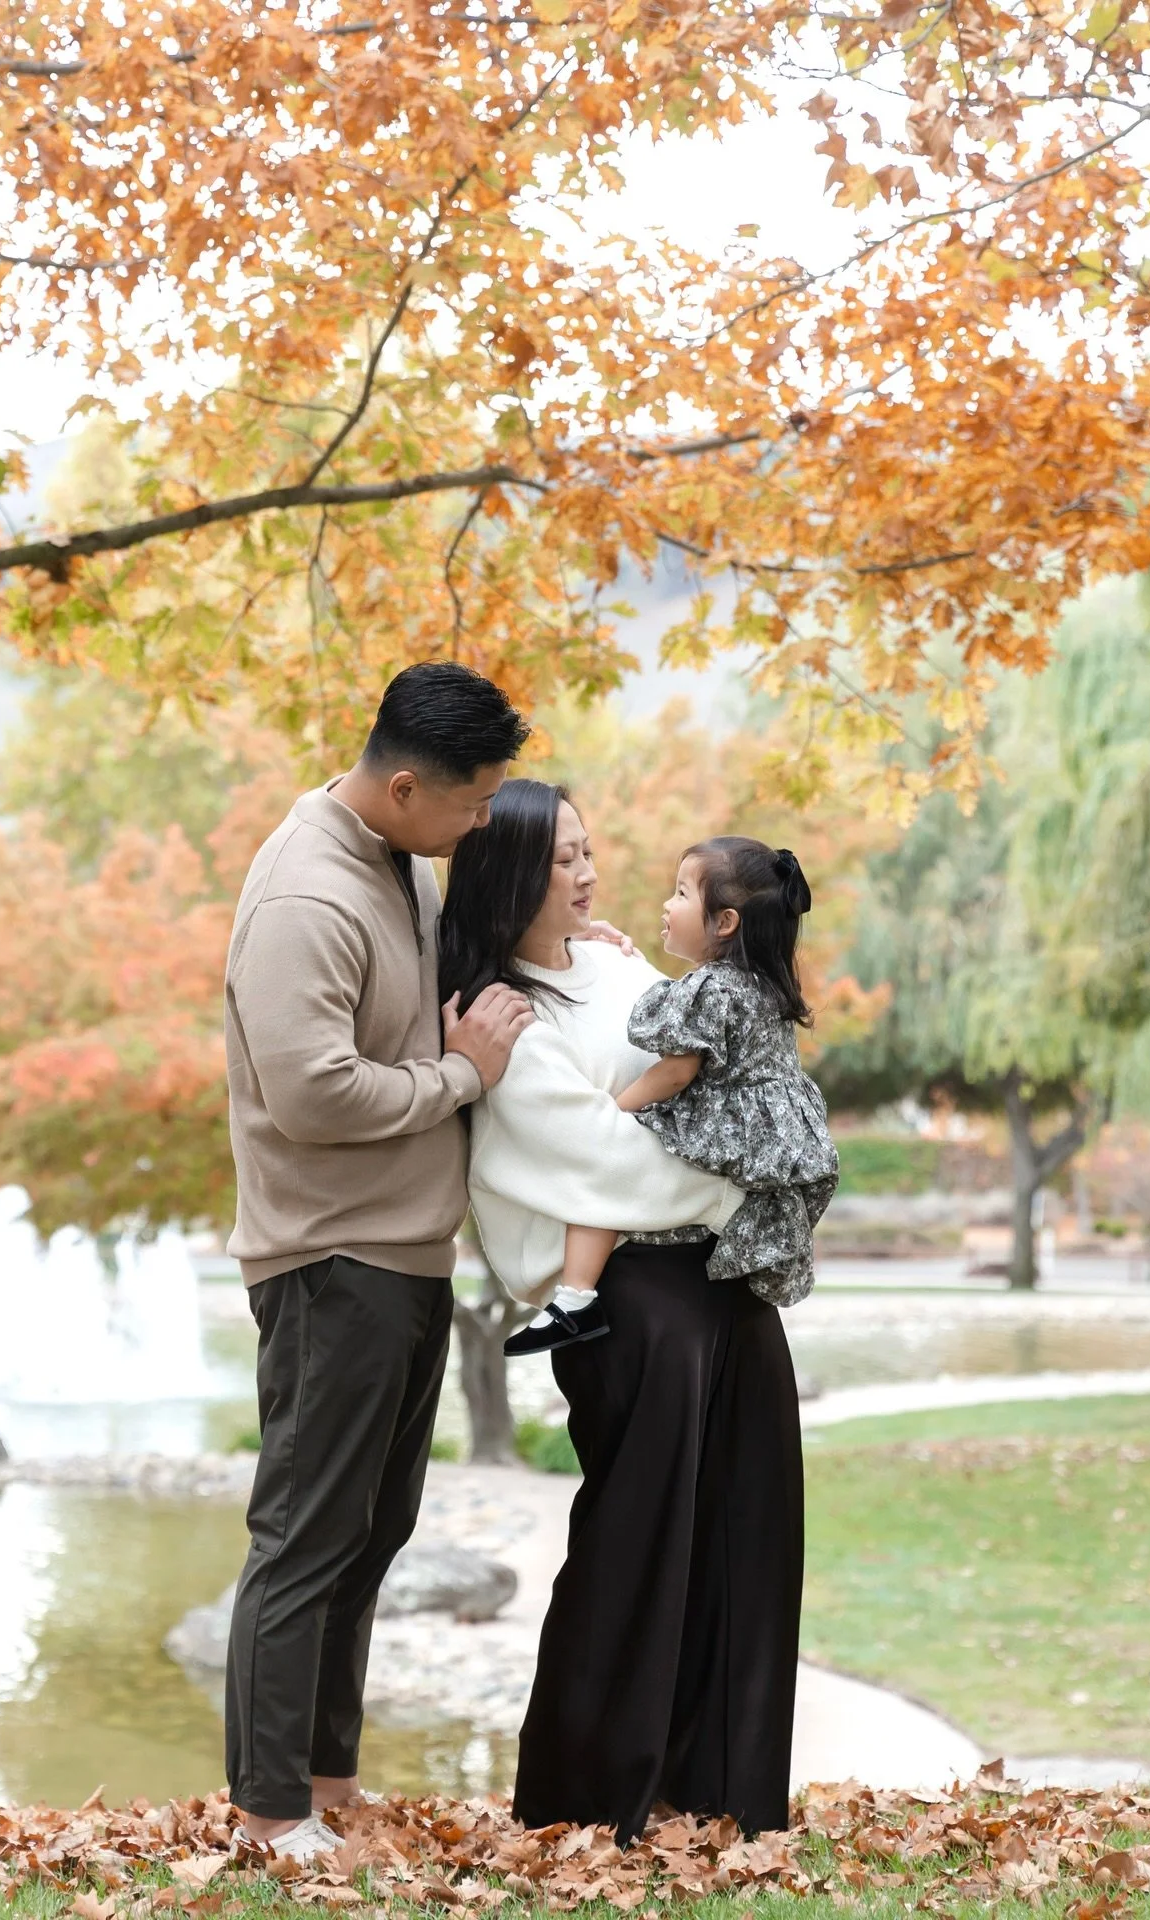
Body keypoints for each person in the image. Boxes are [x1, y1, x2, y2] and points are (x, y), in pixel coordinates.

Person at [439, 781, 805, 1846]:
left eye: (589, 851)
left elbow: (717, 1076)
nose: (588, 874)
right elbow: (599, 1157)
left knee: (750, 1527)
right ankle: (590, 1801)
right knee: (635, 1543)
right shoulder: (499, 1008)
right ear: (509, 872)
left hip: (720, 1279)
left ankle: (726, 1792)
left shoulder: (615, 964)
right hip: (629, 1301)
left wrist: (726, 1169)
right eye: (561, 860)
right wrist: (746, 1183)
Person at [220, 663, 535, 1864]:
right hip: (329, 1258)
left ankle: (327, 1779)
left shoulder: (394, 855)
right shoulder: (309, 894)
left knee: (373, 1526)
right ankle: (266, 1811)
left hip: (402, 1253)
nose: (477, 829)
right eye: (469, 807)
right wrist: (462, 1077)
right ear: (405, 785)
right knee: (306, 1535)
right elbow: (310, 1093)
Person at [510, 835, 839, 1356]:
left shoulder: (710, 988)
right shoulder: (761, 985)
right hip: (766, 1134)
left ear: (725, 923)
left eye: (681, 894)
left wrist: (615, 1111)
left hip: (720, 1125)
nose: (667, 903)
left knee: (603, 1173)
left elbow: (675, 1074)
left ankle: (574, 1297)